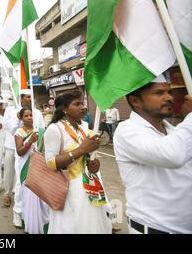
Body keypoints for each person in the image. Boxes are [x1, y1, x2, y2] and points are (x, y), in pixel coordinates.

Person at [114, 75, 192, 234]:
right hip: (155, 228)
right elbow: (173, 155)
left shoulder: (175, 131)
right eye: (159, 93)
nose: (169, 97)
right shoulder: (127, 131)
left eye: (169, 92)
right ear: (136, 101)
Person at [43, 90, 111, 234]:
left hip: (90, 187)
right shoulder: (54, 129)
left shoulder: (84, 128)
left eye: (83, 103)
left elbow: (89, 157)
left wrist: (95, 164)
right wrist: (80, 150)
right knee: (71, 226)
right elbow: (50, 163)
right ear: (65, 109)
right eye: (77, 104)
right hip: (68, 190)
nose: (83, 107)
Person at [3, 89, 45, 228]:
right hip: (20, 153)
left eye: (31, 96)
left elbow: (42, 129)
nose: (30, 99)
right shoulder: (11, 110)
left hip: (37, 155)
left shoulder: (37, 112)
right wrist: (18, 118)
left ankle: (35, 215)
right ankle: (17, 213)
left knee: (37, 185)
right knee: (21, 184)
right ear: (21, 98)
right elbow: (11, 129)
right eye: (27, 97)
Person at [15, 108, 49, 234]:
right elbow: (20, 152)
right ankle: (31, 227)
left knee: (42, 199)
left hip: (40, 168)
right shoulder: (19, 132)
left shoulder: (40, 131)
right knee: (29, 198)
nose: (29, 117)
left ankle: (43, 226)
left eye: (31, 115)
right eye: (26, 116)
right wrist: (30, 141)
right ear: (21, 118)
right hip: (26, 169)